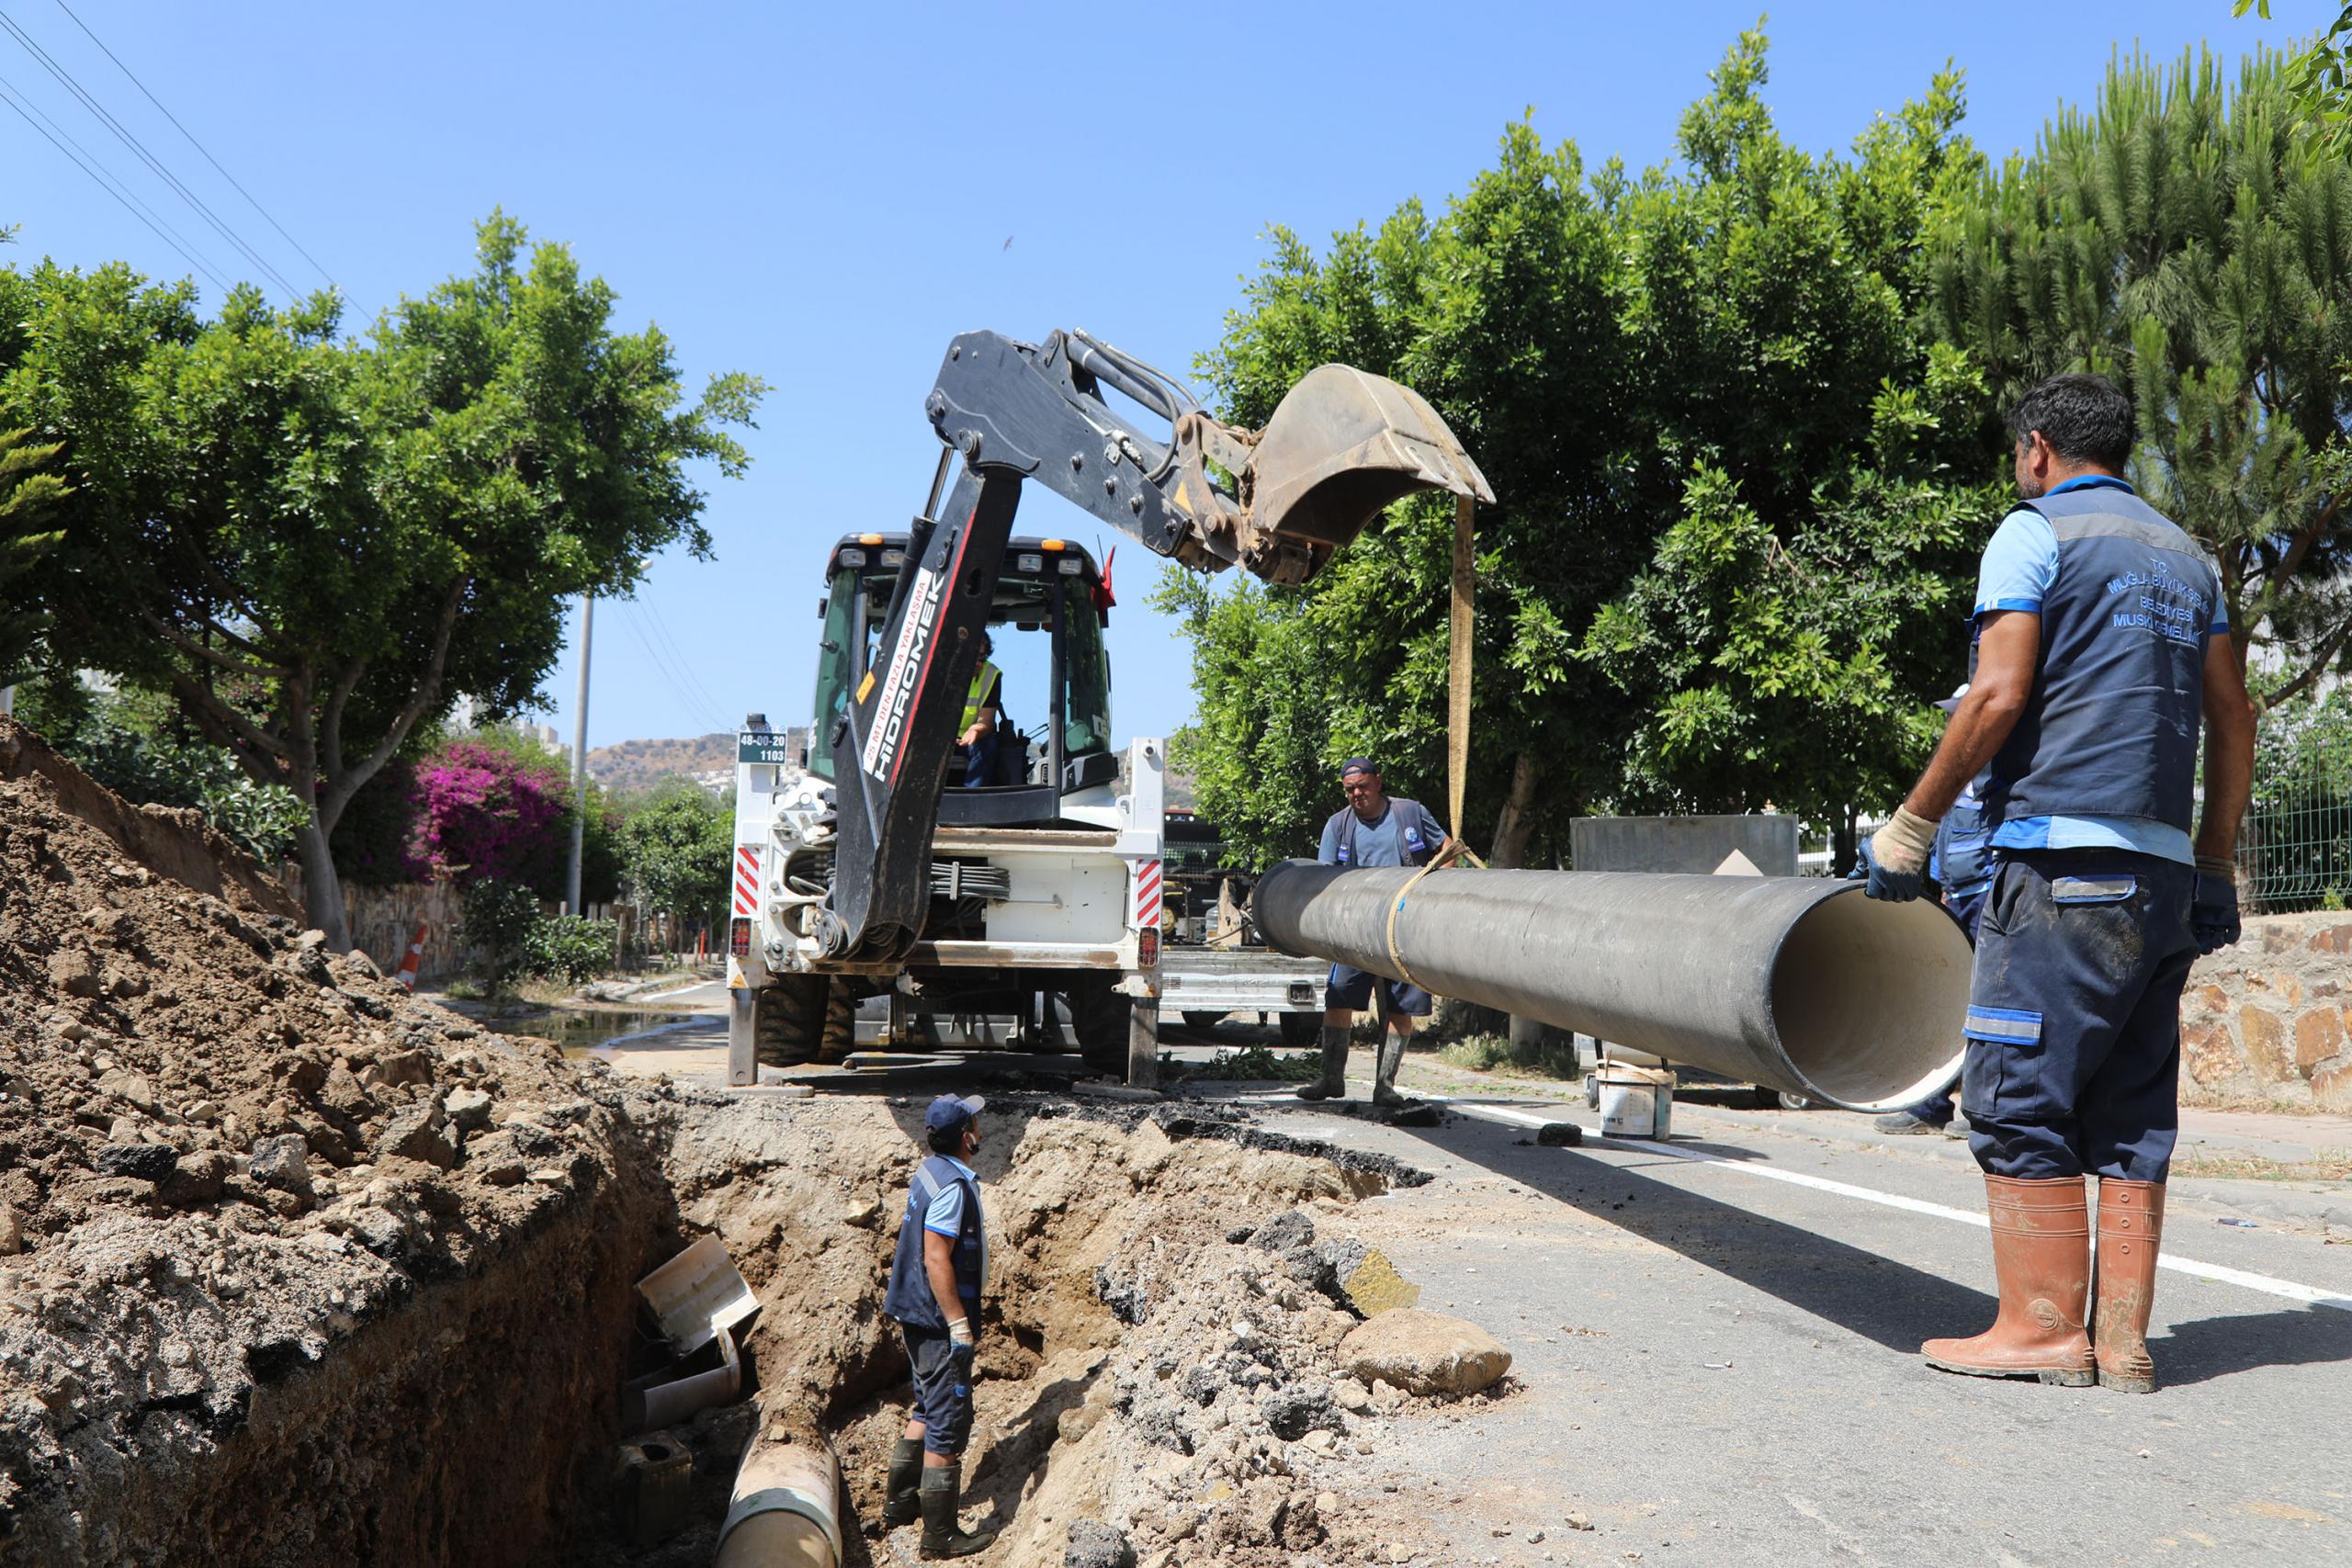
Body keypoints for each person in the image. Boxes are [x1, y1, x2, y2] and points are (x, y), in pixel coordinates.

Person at [1856, 373, 2255, 1394]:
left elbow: (1997, 691)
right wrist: (2213, 862)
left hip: (2059, 866)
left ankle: (2039, 1332)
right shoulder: (2186, 558)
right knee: (2128, 1107)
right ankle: (2120, 1342)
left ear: (2037, 448)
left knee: (2014, 1093)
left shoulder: (2033, 534)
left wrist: (1912, 826)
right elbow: (2234, 718)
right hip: (2162, 876)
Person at [878, 1094, 999, 1557]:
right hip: (936, 1319)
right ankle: (939, 1536)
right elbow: (935, 1257)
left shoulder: (931, 1171)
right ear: (966, 1136)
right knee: (946, 1422)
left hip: (914, 1313)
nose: (979, 1125)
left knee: (925, 1408)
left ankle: (901, 1506)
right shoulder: (952, 1186)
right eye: (974, 1121)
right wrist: (958, 1325)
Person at [1872, 685, 1995, 1138]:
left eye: (1959, 715)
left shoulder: (1998, 777)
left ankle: (1976, 1110)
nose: (1952, 724)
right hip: (1957, 898)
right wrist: (1943, 888)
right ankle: (1930, 1105)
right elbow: (1944, 840)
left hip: (1988, 899)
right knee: (1948, 1002)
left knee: (1986, 1006)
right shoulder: (1956, 780)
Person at [1298, 758, 1447, 1106]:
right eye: (1350, 789)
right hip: (1355, 931)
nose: (1357, 794)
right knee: (1338, 1000)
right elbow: (1324, 878)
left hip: (1404, 928)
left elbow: (1446, 849)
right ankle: (1332, 1079)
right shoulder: (1338, 825)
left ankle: (1385, 1087)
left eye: (1363, 786)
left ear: (1378, 782)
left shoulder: (1409, 813)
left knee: (1400, 1007)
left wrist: (1437, 891)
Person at [956, 634, 1002, 788]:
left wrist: (975, 731)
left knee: (986, 746)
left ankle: (970, 799)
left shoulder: (991, 675)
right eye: (972, 656)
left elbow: (987, 720)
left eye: (982, 657)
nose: (978, 663)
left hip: (971, 737)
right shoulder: (936, 669)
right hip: (938, 736)